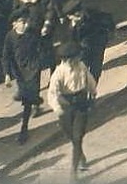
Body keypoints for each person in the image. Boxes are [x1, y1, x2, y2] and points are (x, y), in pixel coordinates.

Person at [47, 42, 97, 178]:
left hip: (81, 104)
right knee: (72, 137)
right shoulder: (58, 73)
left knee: (77, 137)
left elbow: (90, 81)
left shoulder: (81, 67)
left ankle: (73, 173)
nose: (79, 58)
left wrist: (93, 93)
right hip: (66, 107)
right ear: (68, 59)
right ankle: (80, 156)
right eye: (76, 57)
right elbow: (52, 94)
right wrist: (57, 109)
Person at [2, 8, 44, 144]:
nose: (26, 24)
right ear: (14, 24)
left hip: (33, 70)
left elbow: (40, 47)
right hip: (19, 73)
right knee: (29, 96)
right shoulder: (10, 37)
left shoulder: (32, 33)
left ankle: (23, 130)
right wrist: (7, 75)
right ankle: (35, 100)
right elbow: (6, 57)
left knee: (26, 101)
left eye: (27, 21)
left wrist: (37, 63)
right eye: (22, 22)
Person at [56, 0, 114, 83]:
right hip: (81, 51)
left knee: (95, 70)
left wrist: (109, 34)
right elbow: (66, 43)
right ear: (69, 16)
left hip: (97, 45)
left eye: (81, 14)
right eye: (77, 17)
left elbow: (108, 19)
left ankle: (91, 91)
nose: (80, 18)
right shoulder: (67, 27)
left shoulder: (93, 14)